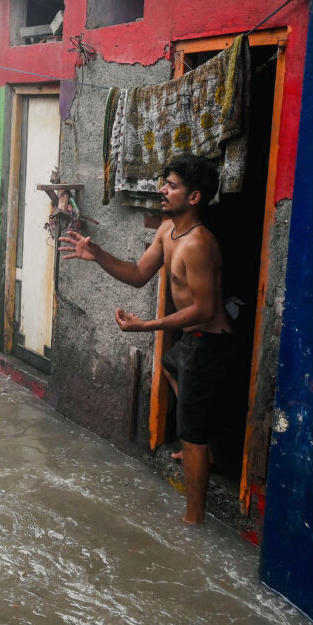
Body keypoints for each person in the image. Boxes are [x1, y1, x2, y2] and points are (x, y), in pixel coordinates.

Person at [59, 155, 235, 524]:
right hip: (190, 343)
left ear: (195, 197)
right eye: (164, 182)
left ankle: (193, 520)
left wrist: (145, 326)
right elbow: (139, 273)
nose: (162, 190)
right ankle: (205, 445)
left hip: (209, 342)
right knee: (170, 366)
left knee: (191, 434)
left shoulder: (199, 243)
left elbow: (204, 309)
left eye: (171, 185)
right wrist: (98, 255)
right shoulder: (167, 230)